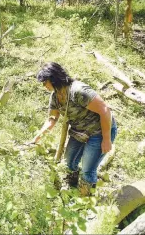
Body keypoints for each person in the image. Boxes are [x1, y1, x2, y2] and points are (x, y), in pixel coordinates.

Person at [31, 62, 117, 196]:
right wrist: (37, 137)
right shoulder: (55, 97)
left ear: (54, 79)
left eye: (45, 82)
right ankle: (73, 186)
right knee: (69, 162)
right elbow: (51, 119)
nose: (44, 86)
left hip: (99, 131)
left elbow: (105, 110)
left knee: (88, 169)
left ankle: (85, 199)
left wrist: (106, 138)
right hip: (79, 132)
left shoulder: (79, 91)